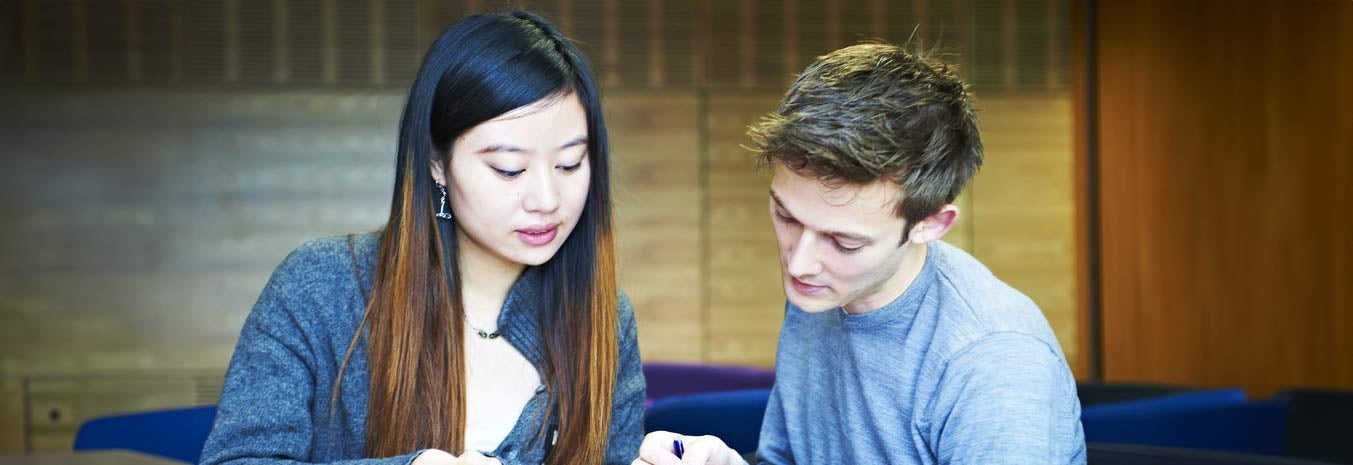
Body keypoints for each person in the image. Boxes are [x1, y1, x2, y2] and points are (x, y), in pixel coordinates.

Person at [200, 11, 645, 465]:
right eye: (509, 169)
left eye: (570, 164)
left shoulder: (604, 316)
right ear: (437, 163)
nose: (547, 199)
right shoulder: (322, 288)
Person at [635, 42, 1085, 465]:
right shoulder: (824, 290)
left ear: (929, 224)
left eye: (844, 241)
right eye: (785, 216)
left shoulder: (993, 363)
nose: (799, 262)